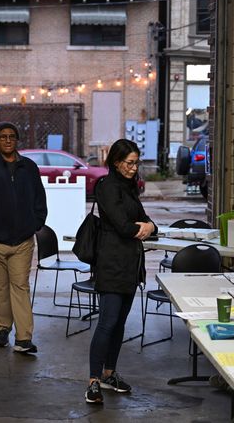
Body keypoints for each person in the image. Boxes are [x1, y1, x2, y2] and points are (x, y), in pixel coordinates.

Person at [84, 139, 155, 404]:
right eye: (129, 163)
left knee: (119, 325)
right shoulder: (106, 186)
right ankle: (93, 381)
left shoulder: (129, 187)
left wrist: (150, 227)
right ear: (116, 162)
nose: (133, 168)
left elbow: (147, 220)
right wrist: (144, 228)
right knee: (107, 323)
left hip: (131, 266)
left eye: (136, 163)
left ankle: (109, 374)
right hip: (112, 265)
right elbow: (125, 226)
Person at [0, 121, 47, 353]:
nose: (7, 140)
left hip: (23, 241)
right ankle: (2, 329)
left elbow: (39, 200)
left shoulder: (29, 168)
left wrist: (35, 224)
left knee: (20, 286)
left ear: (17, 140)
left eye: (11, 136)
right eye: (2, 136)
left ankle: (24, 338)